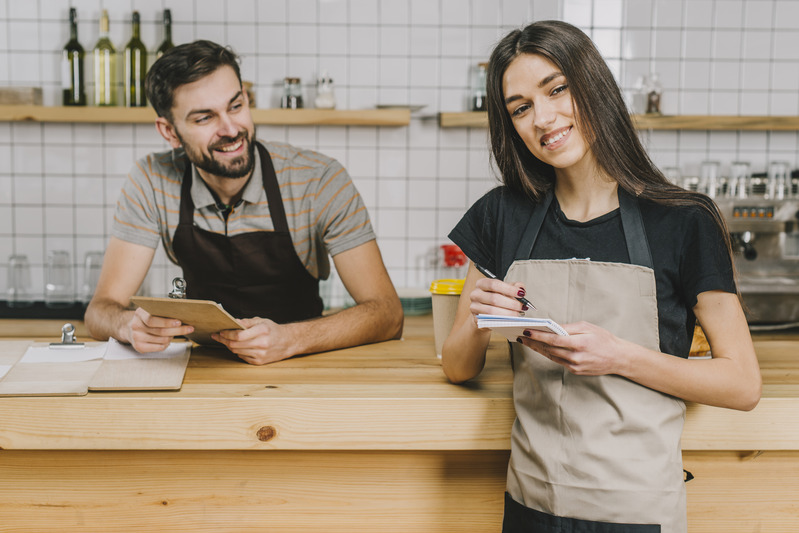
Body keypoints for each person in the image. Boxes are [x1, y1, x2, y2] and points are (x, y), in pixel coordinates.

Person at [442, 21, 761, 532]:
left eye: (557, 89)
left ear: (592, 85)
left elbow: (743, 383)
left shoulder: (683, 220)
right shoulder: (502, 215)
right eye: (520, 108)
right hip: (531, 504)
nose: (543, 118)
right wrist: (480, 316)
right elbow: (458, 366)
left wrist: (619, 356)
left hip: (636, 513)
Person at [85, 40, 403, 365]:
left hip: (301, 367)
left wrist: (292, 339)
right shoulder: (152, 179)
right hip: (201, 370)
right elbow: (100, 310)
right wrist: (129, 325)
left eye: (236, 106)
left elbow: (388, 314)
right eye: (205, 118)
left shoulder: (319, 180)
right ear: (170, 132)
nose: (231, 129)